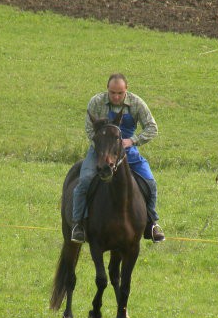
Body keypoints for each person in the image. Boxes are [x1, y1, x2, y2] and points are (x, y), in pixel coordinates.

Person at [71, 73, 165, 243]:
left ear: (126, 90)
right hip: (100, 150)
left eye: (119, 93)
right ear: (107, 89)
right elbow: (89, 130)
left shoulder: (137, 103)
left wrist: (133, 140)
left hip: (128, 151)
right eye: (112, 92)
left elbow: (152, 128)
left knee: (150, 182)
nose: (115, 96)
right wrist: (103, 149)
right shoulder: (96, 102)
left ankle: (152, 223)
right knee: (84, 181)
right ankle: (79, 224)